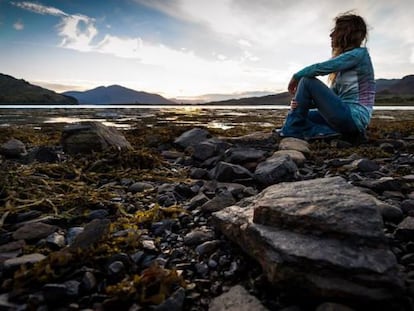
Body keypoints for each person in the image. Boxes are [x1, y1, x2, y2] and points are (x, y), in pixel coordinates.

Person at [277, 12, 375, 143]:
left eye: (335, 30)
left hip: (353, 118)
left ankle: (292, 131)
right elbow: (328, 103)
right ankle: (331, 133)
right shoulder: (344, 68)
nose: (331, 35)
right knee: (303, 116)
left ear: (346, 33)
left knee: (307, 80)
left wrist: (296, 76)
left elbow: (320, 68)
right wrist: (300, 104)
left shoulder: (359, 54)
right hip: (344, 116)